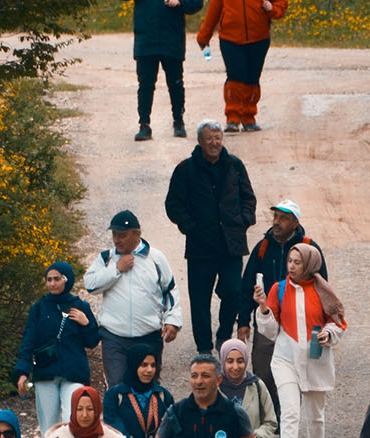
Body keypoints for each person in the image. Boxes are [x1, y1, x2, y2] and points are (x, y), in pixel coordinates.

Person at [254, 241, 347, 438]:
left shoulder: (322, 290)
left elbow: (337, 322)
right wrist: (263, 308)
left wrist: (328, 333)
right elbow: (270, 330)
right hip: (285, 358)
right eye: (290, 262)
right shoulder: (279, 289)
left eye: (298, 262)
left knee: (315, 414)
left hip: (316, 359)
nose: (292, 267)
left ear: (310, 265)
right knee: (290, 411)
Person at [164, 123, 257, 354]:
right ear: (200, 141)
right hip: (200, 247)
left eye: (218, 137)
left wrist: (244, 220)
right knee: (200, 300)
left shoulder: (234, 165)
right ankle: (204, 349)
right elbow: (173, 204)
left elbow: (248, 198)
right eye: (209, 138)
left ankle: (224, 336)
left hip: (231, 244)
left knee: (234, 291)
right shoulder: (186, 169)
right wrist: (190, 226)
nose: (214, 142)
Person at [110, 0, 205, 141]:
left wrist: (180, 1)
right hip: (146, 40)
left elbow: (197, 1)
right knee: (145, 84)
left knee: (176, 82)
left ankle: (178, 122)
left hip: (172, 39)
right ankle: (144, 125)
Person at [238, 200, 326, 414]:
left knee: (294, 372)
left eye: (283, 218)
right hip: (267, 317)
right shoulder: (263, 247)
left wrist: (321, 326)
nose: (277, 222)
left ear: (295, 222)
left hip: (298, 322)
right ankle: (272, 414)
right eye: (275, 217)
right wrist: (243, 321)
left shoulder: (309, 249)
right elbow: (247, 283)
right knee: (263, 369)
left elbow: (322, 289)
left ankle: (287, 414)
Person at [195, 0, 287, 133]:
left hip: (259, 38)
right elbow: (213, 12)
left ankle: (249, 117)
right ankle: (233, 117)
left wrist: (272, 9)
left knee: (252, 78)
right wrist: (204, 36)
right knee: (235, 77)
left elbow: (281, 4)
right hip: (230, 39)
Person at [85, 211, 182, 388]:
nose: (116, 240)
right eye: (114, 235)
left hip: (149, 336)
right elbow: (90, 285)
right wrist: (116, 269)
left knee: (147, 388)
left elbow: (171, 291)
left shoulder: (156, 258)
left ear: (137, 234)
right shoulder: (106, 258)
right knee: (116, 388)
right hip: (114, 337)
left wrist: (173, 322)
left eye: (122, 235)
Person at [15, 262, 101, 438]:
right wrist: (22, 372)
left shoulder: (79, 306)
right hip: (46, 373)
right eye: (49, 280)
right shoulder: (38, 309)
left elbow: (92, 341)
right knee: (49, 427)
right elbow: (28, 342)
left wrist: (86, 324)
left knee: (74, 419)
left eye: (57, 279)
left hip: (74, 374)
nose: (52, 284)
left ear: (66, 280)